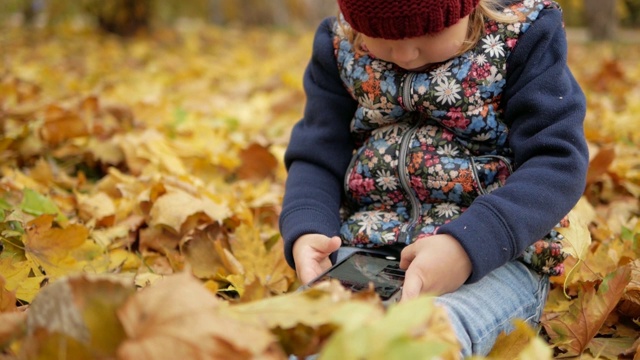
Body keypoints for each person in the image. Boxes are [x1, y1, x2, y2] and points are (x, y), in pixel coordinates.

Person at [279, 0, 588, 356]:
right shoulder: (341, 47)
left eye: (428, 32)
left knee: (428, 337)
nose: (406, 54)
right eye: (379, 36)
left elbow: (556, 161)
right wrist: (308, 227)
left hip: (494, 261)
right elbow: (317, 154)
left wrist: (468, 246)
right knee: (310, 335)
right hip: (364, 250)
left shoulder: (522, 36)